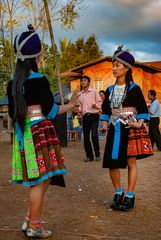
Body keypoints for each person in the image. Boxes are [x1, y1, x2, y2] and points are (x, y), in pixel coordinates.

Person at [7, 25, 78, 238]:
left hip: (24, 134)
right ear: (37, 54)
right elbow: (52, 110)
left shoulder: (12, 82)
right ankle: (34, 227)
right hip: (40, 132)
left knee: (43, 179)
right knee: (40, 181)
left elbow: (12, 113)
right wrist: (72, 104)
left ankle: (30, 219)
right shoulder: (39, 80)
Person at [100, 46, 153, 211]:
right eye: (113, 65)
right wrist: (104, 123)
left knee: (131, 163)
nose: (114, 68)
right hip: (114, 128)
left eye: (117, 65)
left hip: (129, 128)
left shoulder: (134, 88)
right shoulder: (109, 89)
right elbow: (106, 109)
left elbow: (143, 110)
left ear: (126, 67)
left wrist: (138, 123)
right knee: (111, 163)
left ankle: (130, 195)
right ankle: (118, 192)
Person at [78, 76, 102, 162]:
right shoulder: (79, 94)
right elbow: (80, 106)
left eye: (85, 80)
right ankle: (89, 156)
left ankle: (97, 154)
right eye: (82, 81)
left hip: (94, 115)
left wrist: (96, 105)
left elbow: (100, 102)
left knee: (94, 135)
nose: (83, 82)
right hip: (85, 117)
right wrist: (79, 111)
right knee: (86, 137)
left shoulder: (94, 91)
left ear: (88, 83)